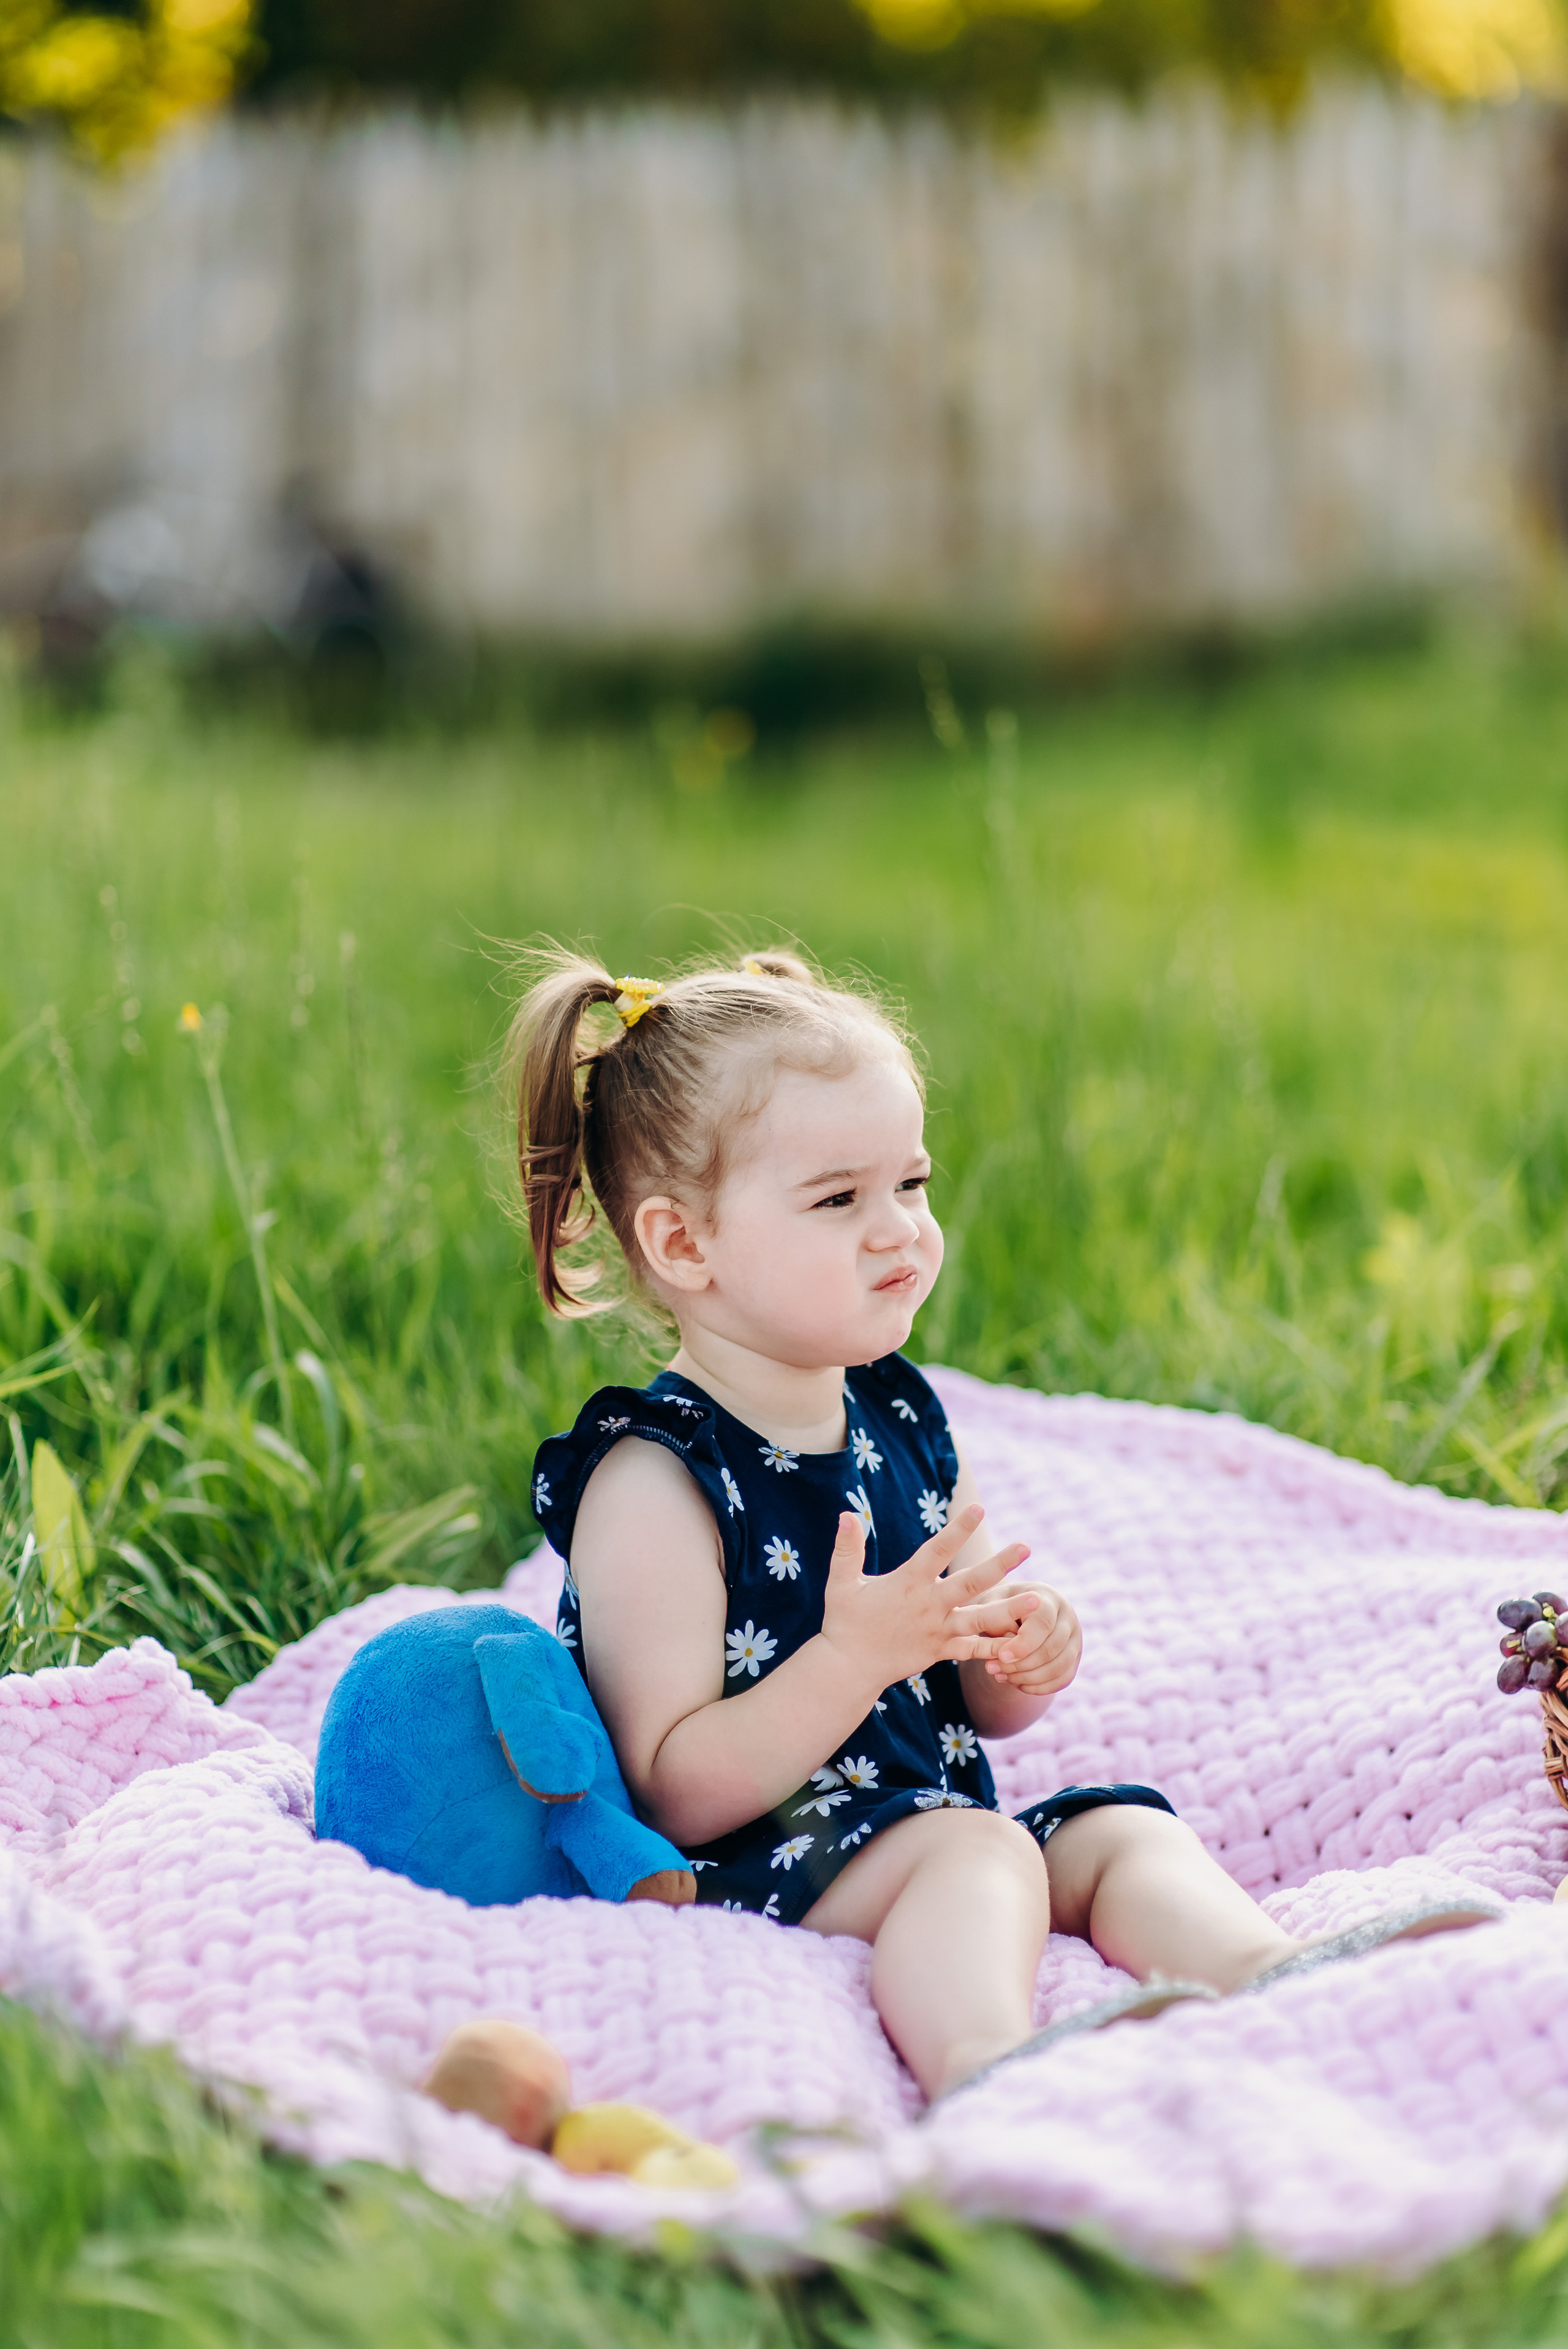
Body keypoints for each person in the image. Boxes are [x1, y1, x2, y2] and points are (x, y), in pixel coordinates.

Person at [514, 947, 1493, 2103]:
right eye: (839, 1199)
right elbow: (670, 1787)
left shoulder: (897, 1413)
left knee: (1113, 1830)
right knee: (978, 1850)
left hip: (916, 1822)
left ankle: (1271, 1974)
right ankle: (988, 2059)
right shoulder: (655, 1477)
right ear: (686, 1244)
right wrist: (852, 1659)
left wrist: (1022, 1648)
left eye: (912, 1184)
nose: (900, 1232)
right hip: (745, 1859)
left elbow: (981, 1689)